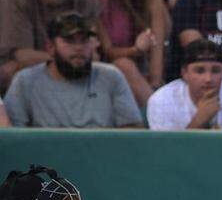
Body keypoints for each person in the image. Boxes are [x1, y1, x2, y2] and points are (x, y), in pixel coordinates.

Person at [3, 12, 143, 128]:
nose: (79, 48)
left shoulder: (111, 76)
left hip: (101, 157)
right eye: (70, 41)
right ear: (50, 47)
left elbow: (132, 131)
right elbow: (13, 139)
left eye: (84, 41)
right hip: (46, 160)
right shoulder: (25, 81)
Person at [147, 38, 222, 130]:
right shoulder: (162, 100)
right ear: (185, 73)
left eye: (215, 71)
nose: (208, 79)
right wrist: (199, 121)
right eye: (200, 71)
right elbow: (166, 153)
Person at [0, 0, 102, 93]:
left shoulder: (86, 0)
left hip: (69, 68)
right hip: (20, 69)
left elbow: (93, 55)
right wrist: (74, 57)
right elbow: (23, 56)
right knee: (15, 72)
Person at [96, 0, 169, 108]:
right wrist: (136, 49)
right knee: (123, 65)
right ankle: (158, 114)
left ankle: (156, 110)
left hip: (142, 67)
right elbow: (108, 51)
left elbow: (157, 49)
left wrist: (155, 84)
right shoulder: (97, 1)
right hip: (108, 65)